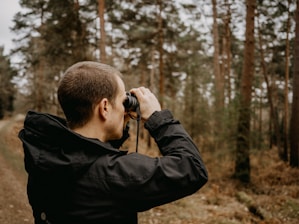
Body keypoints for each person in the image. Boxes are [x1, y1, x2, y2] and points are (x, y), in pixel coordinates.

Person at [19, 61, 208, 224]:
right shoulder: (114, 175)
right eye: (122, 101)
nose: (125, 108)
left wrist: (115, 124)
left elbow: (88, 155)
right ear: (104, 107)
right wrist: (157, 119)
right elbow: (192, 168)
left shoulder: (45, 156)